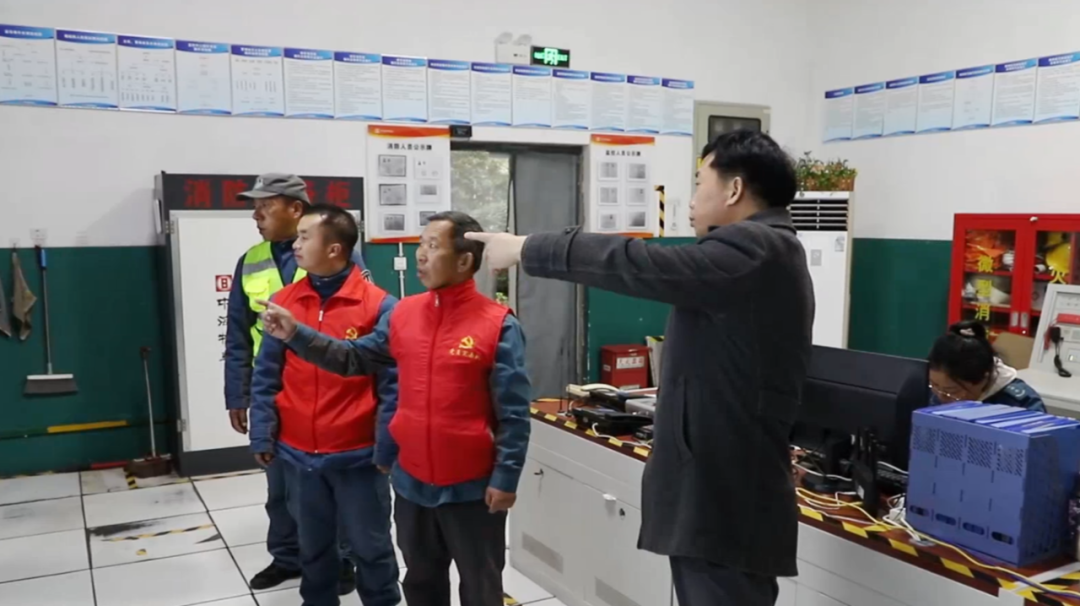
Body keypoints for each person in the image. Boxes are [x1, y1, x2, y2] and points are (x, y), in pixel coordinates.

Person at [467, 130, 814, 606]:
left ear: (734, 189)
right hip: (718, 494)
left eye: (699, 183)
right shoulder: (759, 253)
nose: (690, 200)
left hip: (725, 501)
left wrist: (528, 247)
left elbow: (641, 264)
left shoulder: (757, 250)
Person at [259, 211, 531, 606]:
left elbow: (514, 414)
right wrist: (296, 334)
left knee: (479, 584)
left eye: (433, 246)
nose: (421, 254)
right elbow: (352, 358)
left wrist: (506, 478)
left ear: (464, 261)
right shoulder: (404, 314)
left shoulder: (498, 325)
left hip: (472, 488)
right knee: (420, 581)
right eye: (421, 244)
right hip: (412, 483)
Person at [224, 173, 368, 593]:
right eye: (255, 208)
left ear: (295, 208)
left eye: (265, 207)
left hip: (328, 392)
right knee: (280, 484)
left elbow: (359, 327)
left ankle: (342, 560)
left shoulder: (340, 257)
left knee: (332, 483)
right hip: (273, 392)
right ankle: (287, 557)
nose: (256, 216)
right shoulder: (251, 259)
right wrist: (238, 394)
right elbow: (238, 334)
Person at [249, 204, 400, 606]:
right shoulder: (284, 302)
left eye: (304, 237)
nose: (295, 245)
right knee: (313, 549)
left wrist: (386, 446)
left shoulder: (379, 306)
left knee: (371, 549)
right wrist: (262, 431)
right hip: (298, 455)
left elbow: (392, 387)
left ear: (334, 249)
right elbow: (266, 374)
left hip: (358, 456)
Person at [928, 320, 1046, 411]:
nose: (940, 397)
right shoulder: (938, 391)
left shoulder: (1022, 404)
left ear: (984, 379)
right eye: (934, 385)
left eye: (952, 391)